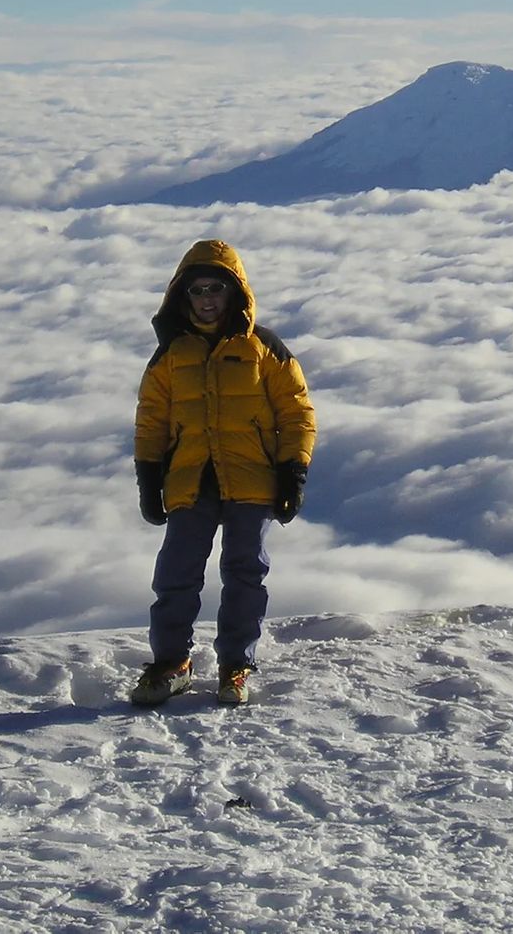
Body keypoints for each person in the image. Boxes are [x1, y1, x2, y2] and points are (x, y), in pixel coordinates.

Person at [130, 239, 317, 707]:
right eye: (197, 290)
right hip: (190, 478)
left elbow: (296, 412)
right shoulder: (171, 355)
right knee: (176, 573)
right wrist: (149, 479)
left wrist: (293, 470)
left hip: (251, 476)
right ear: (182, 296)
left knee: (244, 571)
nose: (207, 298)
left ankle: (237, 666)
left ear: (236, 293)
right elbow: (151, 420)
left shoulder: (264, 348)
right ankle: (172, 664)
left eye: (216, 288)